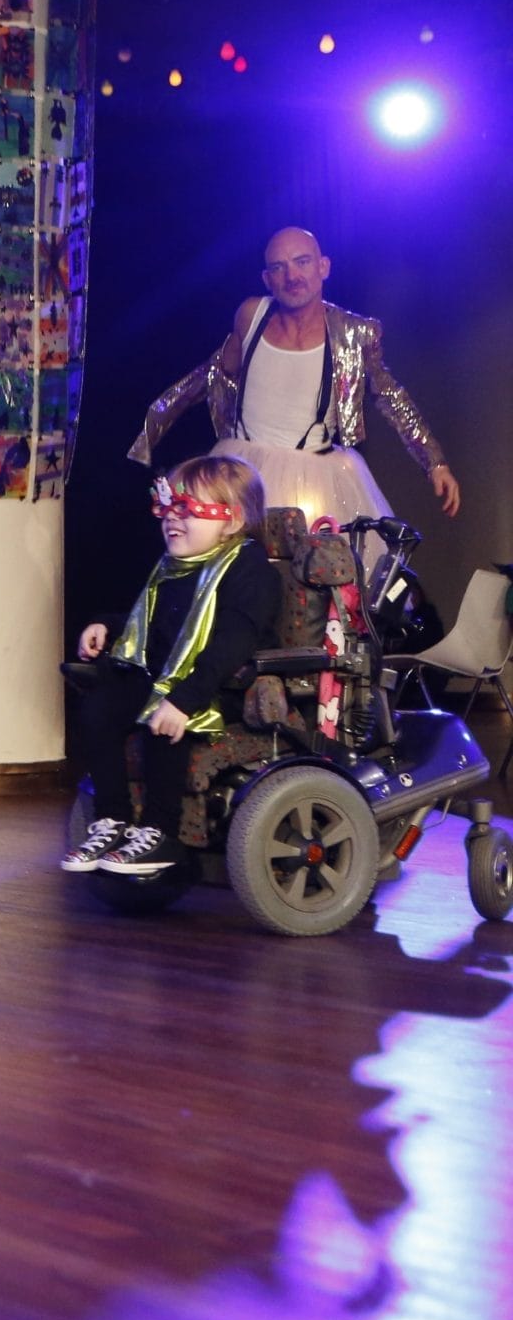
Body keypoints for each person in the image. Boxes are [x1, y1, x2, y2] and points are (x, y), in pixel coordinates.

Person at [129, 226, 460, 527]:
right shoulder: (251, 315)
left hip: (317, 480)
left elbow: (390, 396)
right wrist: (152, 426)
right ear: (267, 279)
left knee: (319, 578)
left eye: (302, 262)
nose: (292, 276)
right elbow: (211, 374)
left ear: (323, 267)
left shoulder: (354, 333)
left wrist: (434, 462)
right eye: (279, 267)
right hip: (242, 471)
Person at [60, 455, 280, 877]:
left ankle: (162, 832)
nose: (172, 518)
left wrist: (183, 701)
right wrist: (108, 625)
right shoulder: (173, 568)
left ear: (231, 521)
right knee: (100, 708)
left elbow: (232, 643)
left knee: (162, 723)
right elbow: (155, 624)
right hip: (166, 678)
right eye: (167, 507)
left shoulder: (249, 568)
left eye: (189, 509)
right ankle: (114, 820)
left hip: (222, 684)